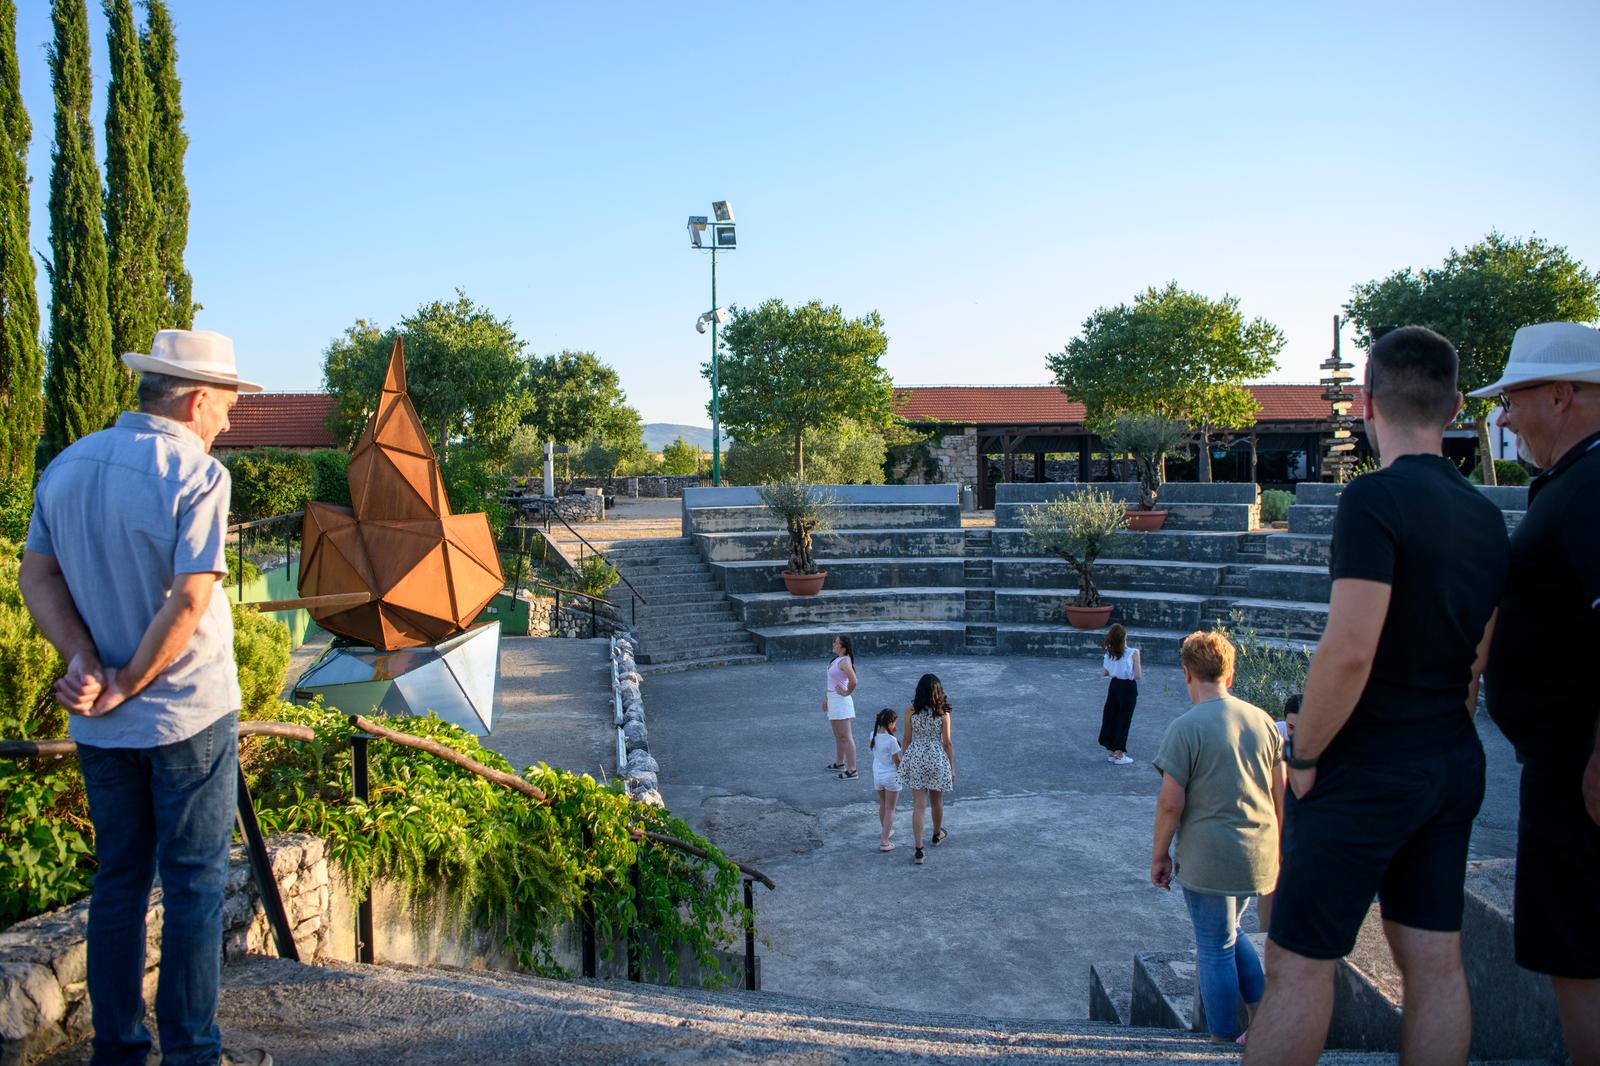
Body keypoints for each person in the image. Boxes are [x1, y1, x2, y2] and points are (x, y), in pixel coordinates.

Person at [1245, 326, 1509, 1066]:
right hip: (1450, 762)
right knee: (1434, 961)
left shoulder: (1374, 500)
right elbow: (1475, 665)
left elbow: (1351, 648)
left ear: (1364, 402)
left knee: (1299, 961)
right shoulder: (1487, 516)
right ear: (1457, 406)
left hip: (1367, 767)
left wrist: (1305, 752)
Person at [19, 330, 272, 1066]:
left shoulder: (67, 466)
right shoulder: (195, 474)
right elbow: (191, 597)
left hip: (100, 724)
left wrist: (85, 662)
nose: (227, 422)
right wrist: (131, 677)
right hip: (186, 713)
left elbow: (37, 578)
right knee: (193, 885)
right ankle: (192, 1053)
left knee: (119, 881)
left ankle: (119, 1050)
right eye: (226, 406)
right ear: (196, 401)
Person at [1467, 322, 1600, 1064]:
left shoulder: (1592, 485)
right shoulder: (1572, 481)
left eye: (1514, 401)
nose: (1506, 418)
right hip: (1566, 760)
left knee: (1579, 953)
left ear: (1562, 394)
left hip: (1578, 770)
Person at [1151, 631, 1285, 1044]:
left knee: (1213, 945)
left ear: (1187, 674)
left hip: (1210, 856)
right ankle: (1263, 1015)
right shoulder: (1263, 720)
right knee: (1231, 932)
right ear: (1230, 672)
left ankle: (1224, 1039)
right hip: (1259, 853)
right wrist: (1280, 849)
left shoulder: (1185, 727)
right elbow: (1281, 792)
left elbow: (1171, 803)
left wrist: (1159, 855)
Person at [899, 673, 956, 866]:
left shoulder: (910, 712)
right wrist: (952, 767)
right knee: (937, 801)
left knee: (919, 806)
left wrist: (905, 761)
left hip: (916, 757)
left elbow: (906, 739)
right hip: (937, 758)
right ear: (938, 692)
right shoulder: (943, 713)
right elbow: (947, 743)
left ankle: (918, 850)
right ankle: (936, 834)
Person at [1098, 623, 1141, 764]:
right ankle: (1119, 753)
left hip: (1114, 685)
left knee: (1112, 716)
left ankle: (1111, 751)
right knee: (1124, 718)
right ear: (1124, 637)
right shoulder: (1133, 652)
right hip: (1128, 687)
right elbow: (1137, 675)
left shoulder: (1109, 653)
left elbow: (1104, 673)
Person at [822, 635, 858, 779]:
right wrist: (827, 698)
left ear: (843, 647)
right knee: (838, 735)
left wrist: (847, 692)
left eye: (836, 643)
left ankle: (852, 770)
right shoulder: (837, 660)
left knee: (846, 737)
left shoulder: (844, 661)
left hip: (841, 701)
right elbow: (832, 681)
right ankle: (840, 763)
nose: (834, 644)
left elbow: (854, 680)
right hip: (834, 700)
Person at [869, 708, 902, 852]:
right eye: (895, 723)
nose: (896, 727)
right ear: (890, 723)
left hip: (878, 776)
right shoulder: (892, 740)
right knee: (891, 809)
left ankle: (886, 831)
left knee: (883, 804)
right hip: (891, 777)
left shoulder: (873, 735)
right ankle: (884, 841)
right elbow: (897, 760)